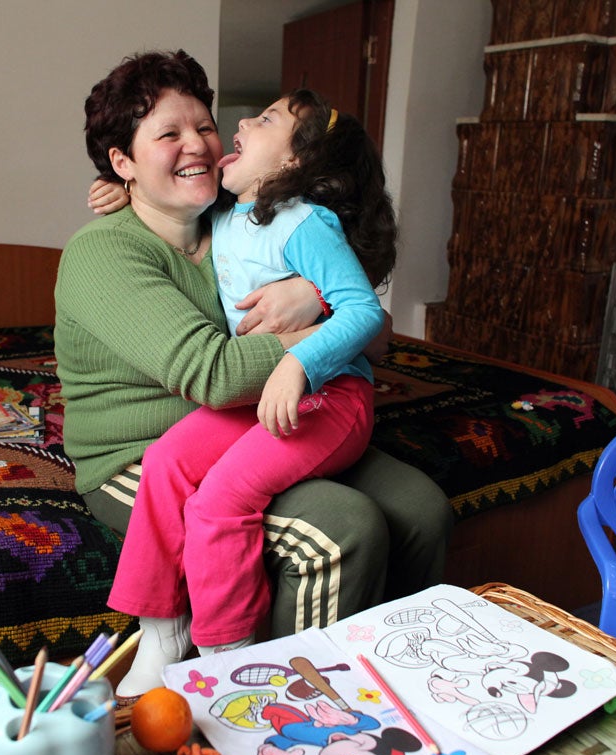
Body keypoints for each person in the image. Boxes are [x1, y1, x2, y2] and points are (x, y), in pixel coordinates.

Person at [54, 49, 453, 695]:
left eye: (204, 126)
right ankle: (270, 701)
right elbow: (212, 374)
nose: (200, 144)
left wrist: (316, 297)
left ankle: (394, 680)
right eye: (168, 134)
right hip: (143, 450)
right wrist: (324, 326)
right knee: (339, 528)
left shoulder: (237, 221)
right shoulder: (103, 252)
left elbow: (373, 341)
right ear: (122, 163)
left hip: (258, 417)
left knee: (421, 508)